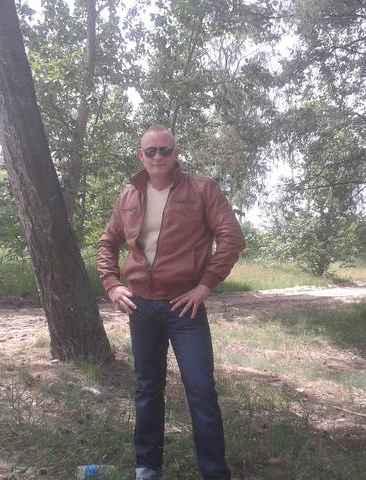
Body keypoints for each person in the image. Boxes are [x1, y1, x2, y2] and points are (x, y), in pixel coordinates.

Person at [97, 125, 245, 480]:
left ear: (176, 154)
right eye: (151, 151)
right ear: (141, 155)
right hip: (140, 307)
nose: (158, 156)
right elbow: (107, 243)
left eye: (165, 150)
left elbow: (231, 239)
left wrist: (205, 286)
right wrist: (112, 285)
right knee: (148, 388)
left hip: (184, 307)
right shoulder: (128, 196)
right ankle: (147, 467)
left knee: (201, 389)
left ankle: (214, 473)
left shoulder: (202, 189)